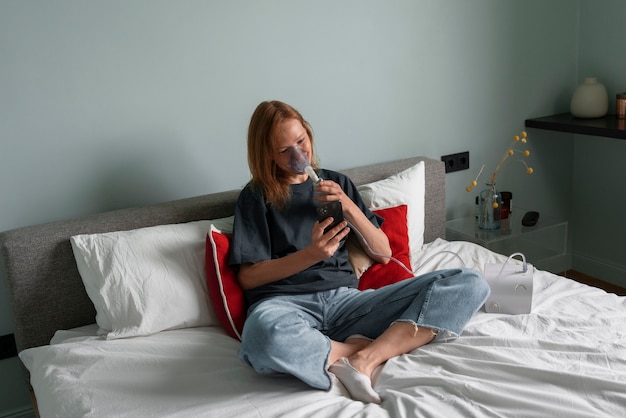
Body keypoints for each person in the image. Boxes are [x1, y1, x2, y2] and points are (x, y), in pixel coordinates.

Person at [229, 100, 490, 403]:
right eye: (285, 151)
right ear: (267, 156)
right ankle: (353, 349)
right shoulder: (256, 196)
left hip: (346, 304)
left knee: (469, 283)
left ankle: (363, 360)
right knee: (261, 337)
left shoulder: (337, 182)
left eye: (301, 141)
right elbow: (248, 277)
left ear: (309, 134)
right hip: (285, 306)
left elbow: (382, 253)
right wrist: (311, 255)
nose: (299, 155)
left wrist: (348, 206)